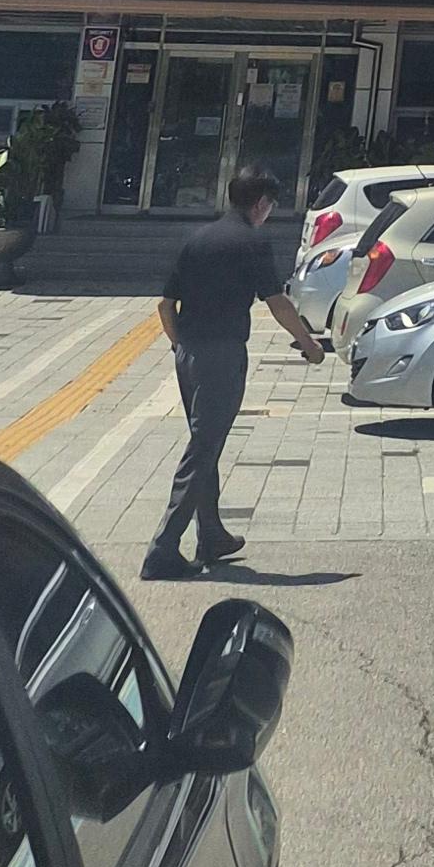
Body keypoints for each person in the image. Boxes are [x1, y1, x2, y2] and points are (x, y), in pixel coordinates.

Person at [144, 167, 324, 579]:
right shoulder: (253, 242)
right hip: (222, 355)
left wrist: (179, 345)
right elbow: (277, 302)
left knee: (205, 443)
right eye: (271, 205)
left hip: (188, 353)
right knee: (203, 449)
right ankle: (163, 550)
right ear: (260, 204)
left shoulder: (196, 239)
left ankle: (211, 535)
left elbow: (165, 305)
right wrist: (309, 344)